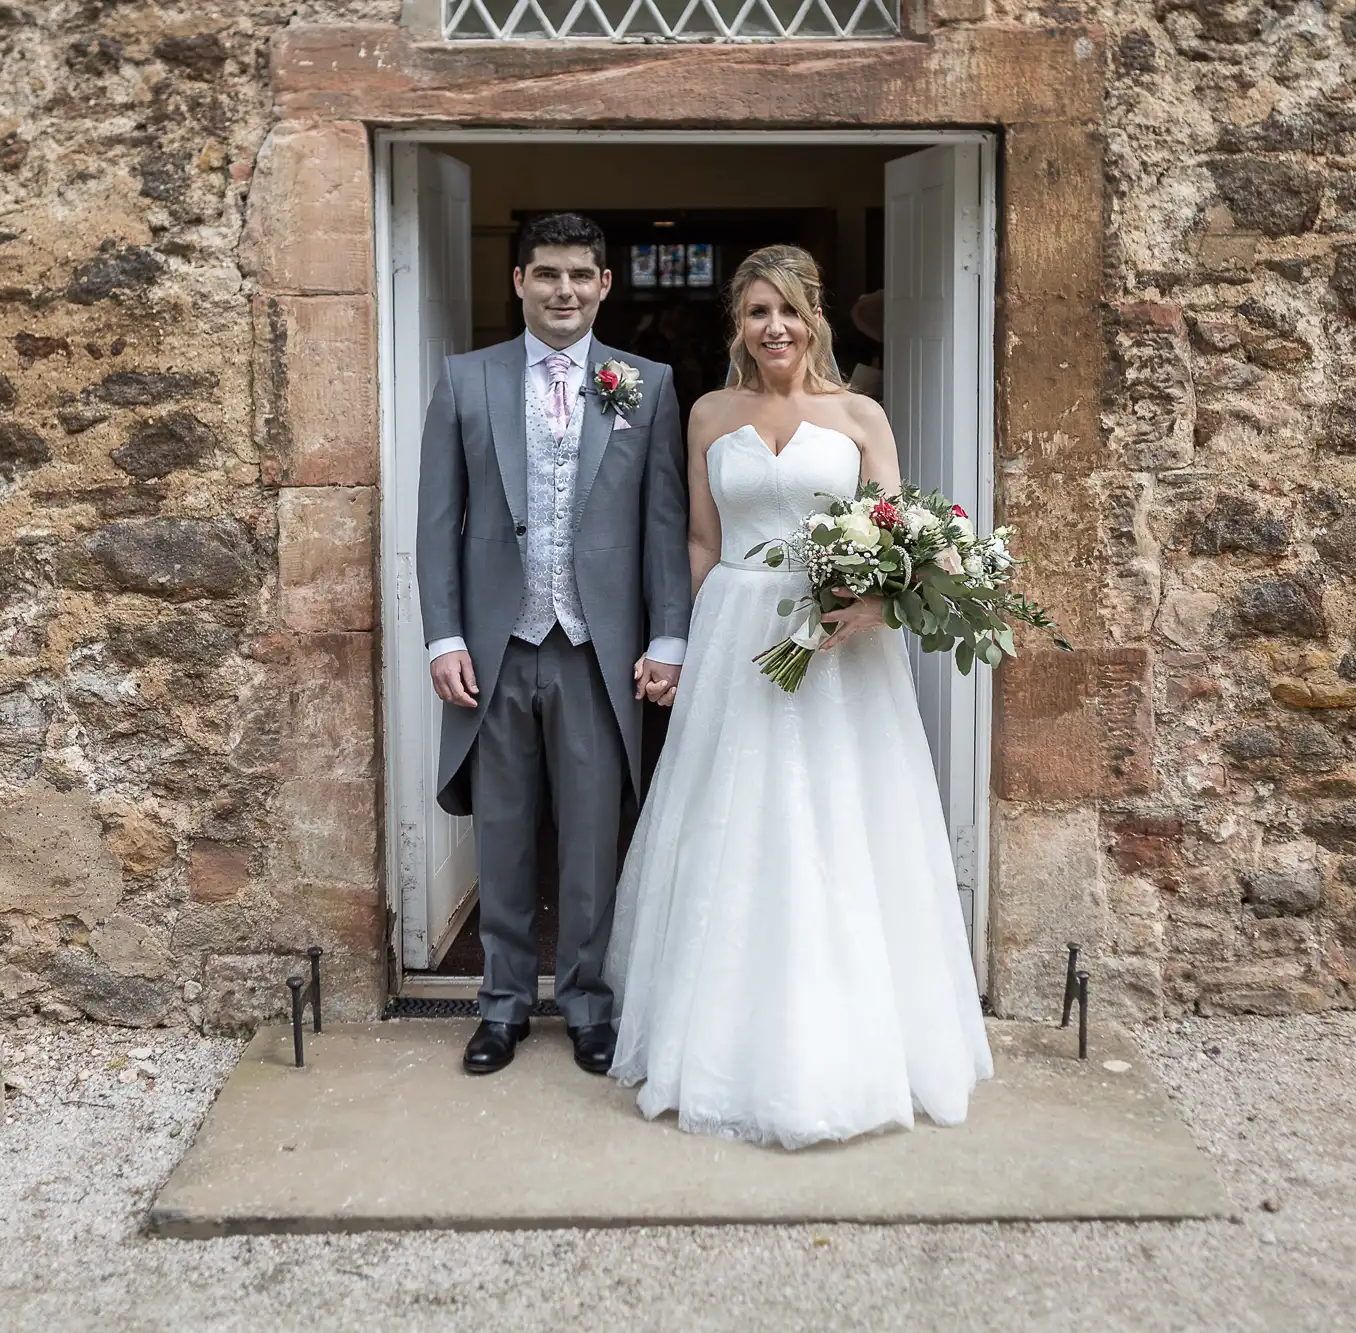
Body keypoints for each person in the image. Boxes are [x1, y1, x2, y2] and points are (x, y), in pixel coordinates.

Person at [604, 244, 992, 1149]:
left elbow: (903, 539)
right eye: (755, 312)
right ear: (736, 325)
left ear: (814, 319)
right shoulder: (707, 414)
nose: (772, 327)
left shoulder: (860, 414)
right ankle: (712, 1038)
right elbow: (702, 540)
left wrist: (873, 604)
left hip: (838, 650)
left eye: (788, 310)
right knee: (731, 820)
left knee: (840, 822)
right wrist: (673, 642)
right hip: (738, 628)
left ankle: (854, 1043)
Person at [416, 213, 692, 1077]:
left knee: (589, 836)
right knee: (501, 834)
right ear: (519, 283)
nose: (563, 290)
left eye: (580, 275)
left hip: (595, 649)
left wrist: (669, 635)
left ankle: (585, 1002)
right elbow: (437, 521)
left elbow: (664, 522)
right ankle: (499, 1004)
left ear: (605, 284)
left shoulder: (643, 382)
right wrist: (444, 635)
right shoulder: (467, 380)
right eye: (547, 274)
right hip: (498, 645)